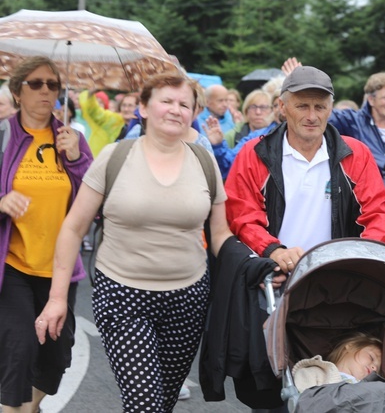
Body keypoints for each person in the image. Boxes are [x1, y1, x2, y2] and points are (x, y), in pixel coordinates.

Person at [34, 72, 263, 412]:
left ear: (193, 112)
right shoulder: (115, 157)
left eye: (184, 104)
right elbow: (73, 228)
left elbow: (219, 234)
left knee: (163, 403)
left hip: (187, 300)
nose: (176, 110)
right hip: (122, 295)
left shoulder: (204, 161)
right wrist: (56, 298)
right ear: (143, 107)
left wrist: (256, 261)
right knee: (145, 405)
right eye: (166, 101)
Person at [224, 65, 385, 273]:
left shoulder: (356, 154)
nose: (312, 116)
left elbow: (377, 213)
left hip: (338, 277)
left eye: (320, 107)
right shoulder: (254, 153)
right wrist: (273, 252)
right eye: (302, 106)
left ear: (330, 110)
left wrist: (360, 259)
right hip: (273, 272)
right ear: (282, 107)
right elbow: (242, 215)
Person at [0, 56, 93, 413]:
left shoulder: (72, 139)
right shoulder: (4, 135)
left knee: (55, 357)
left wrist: (76, 160)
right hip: (12, 264)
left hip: (59, 268)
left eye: (53, 85)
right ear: (17, 90)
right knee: (19, 348)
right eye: (36, 83)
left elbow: (94, 206)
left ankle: (28, 408)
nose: (45, 91)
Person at [292, 333, 383, 392]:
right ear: (351, 346)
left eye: (377, 368)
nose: (374, 367)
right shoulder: (317, 372)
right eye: (371, 357)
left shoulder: (369, 390)